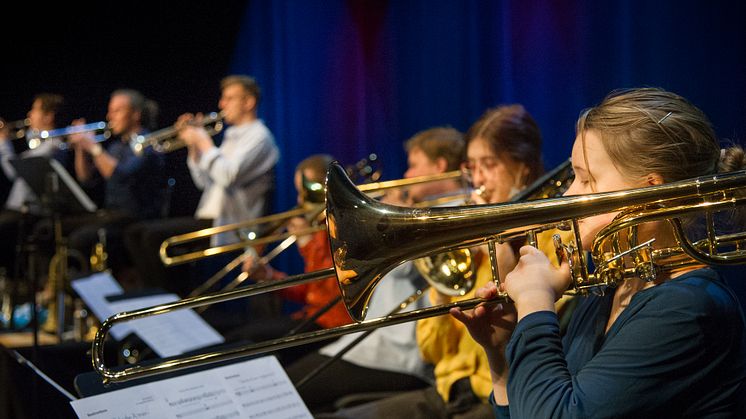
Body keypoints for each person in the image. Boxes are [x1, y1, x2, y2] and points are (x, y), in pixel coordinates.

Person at [452, 87, 746, 418]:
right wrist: (503, 354)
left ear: (650, 192)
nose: (567, 195)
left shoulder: (690, 309)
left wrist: (535, 301)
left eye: (586, 179)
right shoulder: (612, 285)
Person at [316, 105, 545, 419]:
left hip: (501, 398)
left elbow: (530, 352)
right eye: (473, 167)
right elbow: (431, 350)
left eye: (489, 165)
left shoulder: (546, 241)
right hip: (445, 392)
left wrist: (504, 262)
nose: (479, 180)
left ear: (524, 167)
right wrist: (443, 287)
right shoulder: (469, 231)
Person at [286, 127, 466, 414]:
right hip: (369, 341)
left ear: (440, 166)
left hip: (399, 352)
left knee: (289, 395)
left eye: (414, 165)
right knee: (282, 386)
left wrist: (396, 219)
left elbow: (402, 270)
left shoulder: (459, 210)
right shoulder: (421, 207)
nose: (407, 174)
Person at [123, 74, 279, 296]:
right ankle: (154, 297)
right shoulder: (231, 136)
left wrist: (203, 141)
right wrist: (194, 148)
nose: (221, 105)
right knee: (135, 232)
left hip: (231, 225)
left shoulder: (260, 137)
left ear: (249, 102)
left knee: (151, 237)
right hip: (209, 218)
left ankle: (163, 301)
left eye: (229, 98)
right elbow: (204, 182)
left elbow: (227, 176)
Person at [59, 88, 166, 284]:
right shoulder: (116, 146)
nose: (110, 117)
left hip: (134, 216)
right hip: (111, 214)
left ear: (135, 114)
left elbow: (118, 174)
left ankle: (88, 296)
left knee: (80, 239)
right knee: (52, 228)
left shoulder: (149, 143)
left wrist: (92, 146)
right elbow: (86, 178)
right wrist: (81, 150)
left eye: (117, 111)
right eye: (110, 111)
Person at [0, 93, 66, 280]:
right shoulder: (38, 142)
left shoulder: (53, 145)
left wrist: (3, 143)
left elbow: (15, 170)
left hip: (32, 213)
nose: (29, 114)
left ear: (48, 116)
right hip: (16, 209)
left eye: (35, 109)